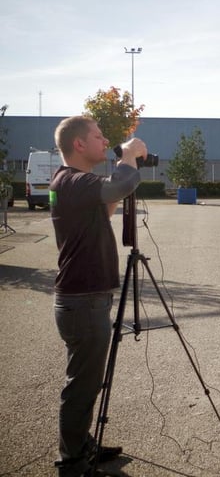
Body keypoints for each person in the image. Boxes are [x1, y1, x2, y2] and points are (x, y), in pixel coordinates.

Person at [50, 116, 147, 476]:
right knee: (81, 386)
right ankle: (72, 463)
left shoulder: (73, 182)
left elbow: (106, 204)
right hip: (83, 300)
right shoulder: (73, 180)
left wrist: (124, 167)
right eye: (97, 136)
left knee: (87, 382)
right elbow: (116, 187)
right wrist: (131, 155)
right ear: (78, 144)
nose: (104, 140)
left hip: (84, 299)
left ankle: (81, 444)